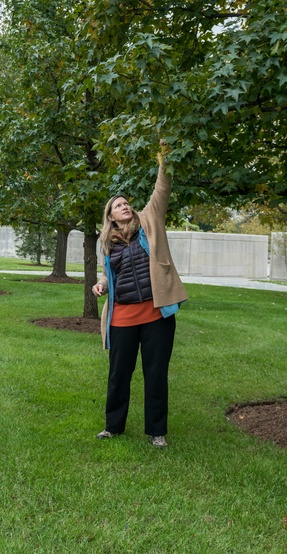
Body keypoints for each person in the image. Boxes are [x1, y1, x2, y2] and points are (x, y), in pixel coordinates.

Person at [91, 144, 188, 449]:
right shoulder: (106, 243)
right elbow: (108, 273)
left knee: (155, 373)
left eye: (126, 203)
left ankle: (156, 431)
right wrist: (102, 284)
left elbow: (162, 188)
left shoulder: (149, 220)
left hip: (155, 314)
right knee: (119, 373)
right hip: (122, 317)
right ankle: (113, 426)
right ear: (110, 216)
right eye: (118, 205)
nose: (125, 206)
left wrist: (164, 160)